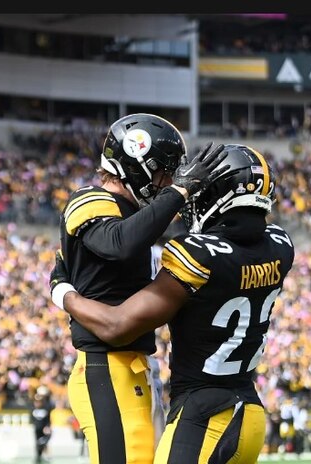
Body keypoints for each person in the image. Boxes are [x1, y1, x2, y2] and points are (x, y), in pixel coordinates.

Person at [51, 144, 295, 463]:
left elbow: (116, 325)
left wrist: (63, 291)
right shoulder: (280, 245)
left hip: (204, 416)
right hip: (249, 412)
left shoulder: (196, 255)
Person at [52, 113, 226, 464]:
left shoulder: (136, 216)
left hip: (135, 365)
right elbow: (120, 243)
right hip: (108, 366)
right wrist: (178, 193)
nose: (167, 182)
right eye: (163, 173)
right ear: (136, 165)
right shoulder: (90, 199)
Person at [30, 387, 54, 464]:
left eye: (39, 401)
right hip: (37, 429)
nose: (37, 403)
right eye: (36, 401)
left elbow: (48, 419)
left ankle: (45, 455)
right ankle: (38, 456)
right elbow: (32, 419)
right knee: (37, 444)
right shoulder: (32, 408)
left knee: (44, 442)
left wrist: (47, 426)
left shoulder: (47, 407)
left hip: (44, 429)